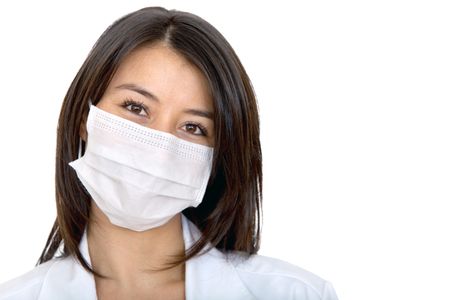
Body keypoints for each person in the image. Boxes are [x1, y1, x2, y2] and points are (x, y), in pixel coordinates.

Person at [0, 6, 338, 300]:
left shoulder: (296, 294)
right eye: (136, 107)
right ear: (84, 119)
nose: (157, 147)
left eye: (193, 127)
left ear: (216, 159)